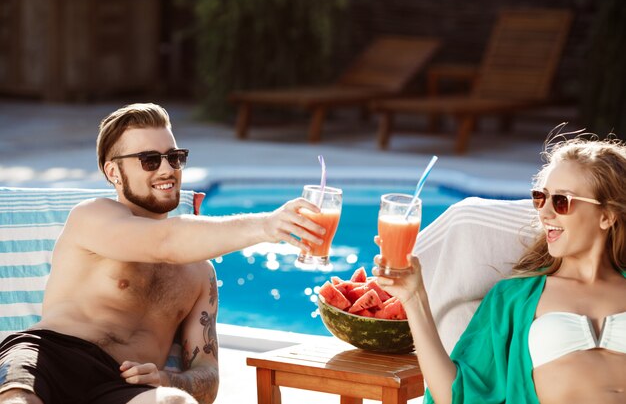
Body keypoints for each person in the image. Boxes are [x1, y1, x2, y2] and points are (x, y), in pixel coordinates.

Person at [0, 103, 326, 404]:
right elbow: (164, 244)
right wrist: (268, 226)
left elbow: (207, 376)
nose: (167, 170)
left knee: (175, 402)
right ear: (113, 172)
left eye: (174, 157)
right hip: (49, 357)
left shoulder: (200, 274)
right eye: (149, 160)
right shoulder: (93, 216)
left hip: (119, 384)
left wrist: (168, 378)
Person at [375, 135, 626, 404]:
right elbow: (457, 396)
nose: (546, 213)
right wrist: (415, 298)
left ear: (607, 215)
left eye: (562, 201)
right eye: (541, 198)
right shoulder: (514, 298)